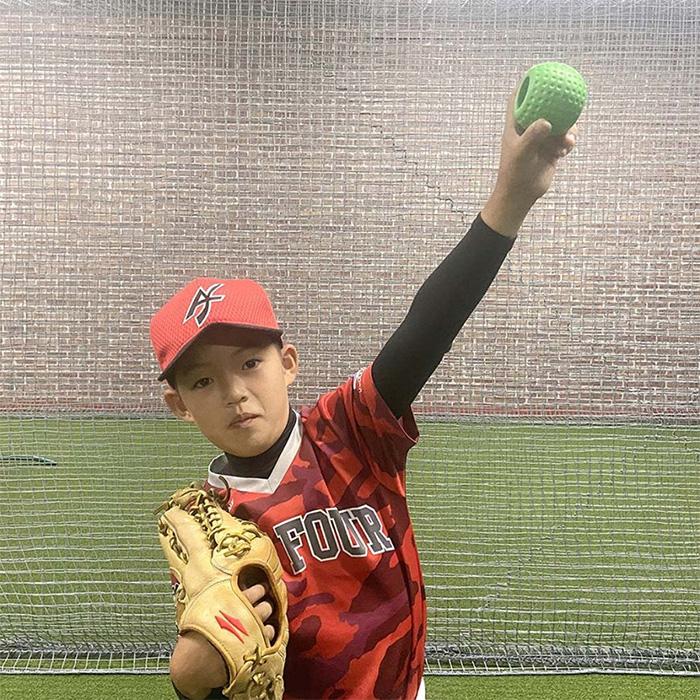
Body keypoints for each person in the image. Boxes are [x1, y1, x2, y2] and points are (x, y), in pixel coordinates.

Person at [149, 87, 578, 700]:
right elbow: (220, 670)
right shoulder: (206, 522)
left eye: (250, 362)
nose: (235, 392)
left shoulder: (349, 429)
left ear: (287, 363)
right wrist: (193, 678)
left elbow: (424, 332)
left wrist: (509, 199)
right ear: (180, 405)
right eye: (202, 380)